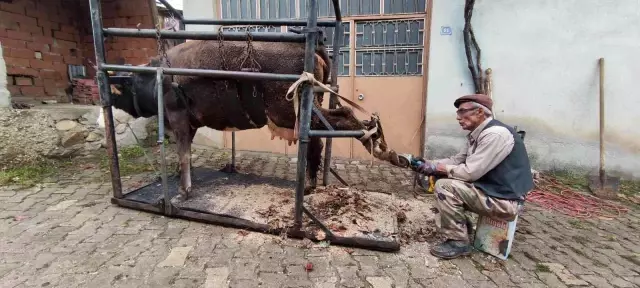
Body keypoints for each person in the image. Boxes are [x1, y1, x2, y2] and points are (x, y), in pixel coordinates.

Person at [412, 94, 534, 259]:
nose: (458, 117)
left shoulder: (495, 135)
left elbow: (470, 172)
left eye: (462, 112)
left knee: (445, 186)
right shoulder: (477, 134)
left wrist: (437, 168)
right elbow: (457, 160)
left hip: (506, 201)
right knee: (444, 178)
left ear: (479, 112)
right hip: (494, 192)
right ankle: (462, 226)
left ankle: (458, 242)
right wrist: (428, 164)